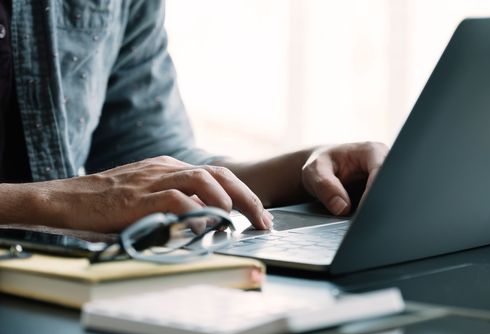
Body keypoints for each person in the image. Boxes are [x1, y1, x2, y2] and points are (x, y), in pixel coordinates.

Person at [0, 0, 388, 234]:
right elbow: (103, 195)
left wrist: (306, 170)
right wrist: (51, 201)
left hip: (67, 295)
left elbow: (150, 163)